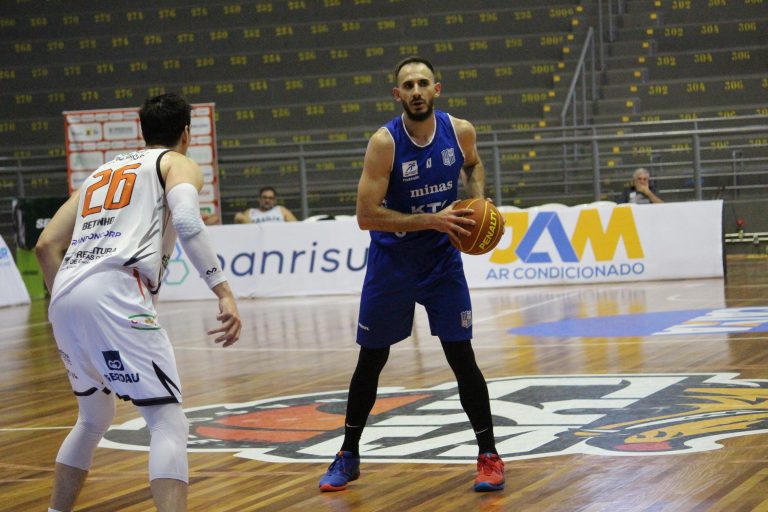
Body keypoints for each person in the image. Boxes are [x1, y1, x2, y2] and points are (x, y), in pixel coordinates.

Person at [35, 93, 242, 512]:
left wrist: (75, 304)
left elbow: (45, 246)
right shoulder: (176, 162)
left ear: (141, 131)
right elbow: (187, 220)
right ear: (187, 133)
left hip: (65, 293)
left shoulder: (101, 172)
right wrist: (222, 290)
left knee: (92, 419)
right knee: (167, 422)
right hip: (116, 289)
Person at [317, 56, 505, 493]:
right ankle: (348, 454)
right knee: (371, 360)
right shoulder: (385, 143)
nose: (416, 91)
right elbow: (366, 216)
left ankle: (489, 455)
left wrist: (477, 200)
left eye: (423, 83)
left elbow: (472, 164)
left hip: (441, 261)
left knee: (462, 357)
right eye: (408, 85)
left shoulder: (460, 131)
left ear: (437, 89)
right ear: (396, 94)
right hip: (393, 262)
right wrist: (432, 220)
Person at [234, 186, 298, 223]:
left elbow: (295, 226)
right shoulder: (250, 212)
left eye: (271, 198)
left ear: (275, 200)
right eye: (264, 197)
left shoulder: (281, 210)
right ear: (259, 199)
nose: (267, 200)